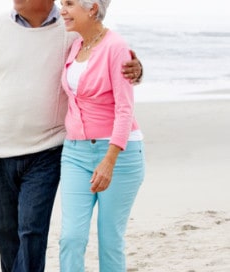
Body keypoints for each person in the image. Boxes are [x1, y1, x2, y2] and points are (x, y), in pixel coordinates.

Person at [0, 0, 142, 271]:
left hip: (48, 150)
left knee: (32, 232)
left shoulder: (69, 29)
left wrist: (136, 70)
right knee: (6, 236)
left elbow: (106, 51)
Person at [57, 0, 145, 271]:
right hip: (75, 153)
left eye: (69, 4)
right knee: (71, 237)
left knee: (110, 240)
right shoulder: (75, 46)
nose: (62, 10)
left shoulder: (116, 47)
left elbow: (124, 109)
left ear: (92, 8)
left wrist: (109, 160)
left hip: (119, 155)